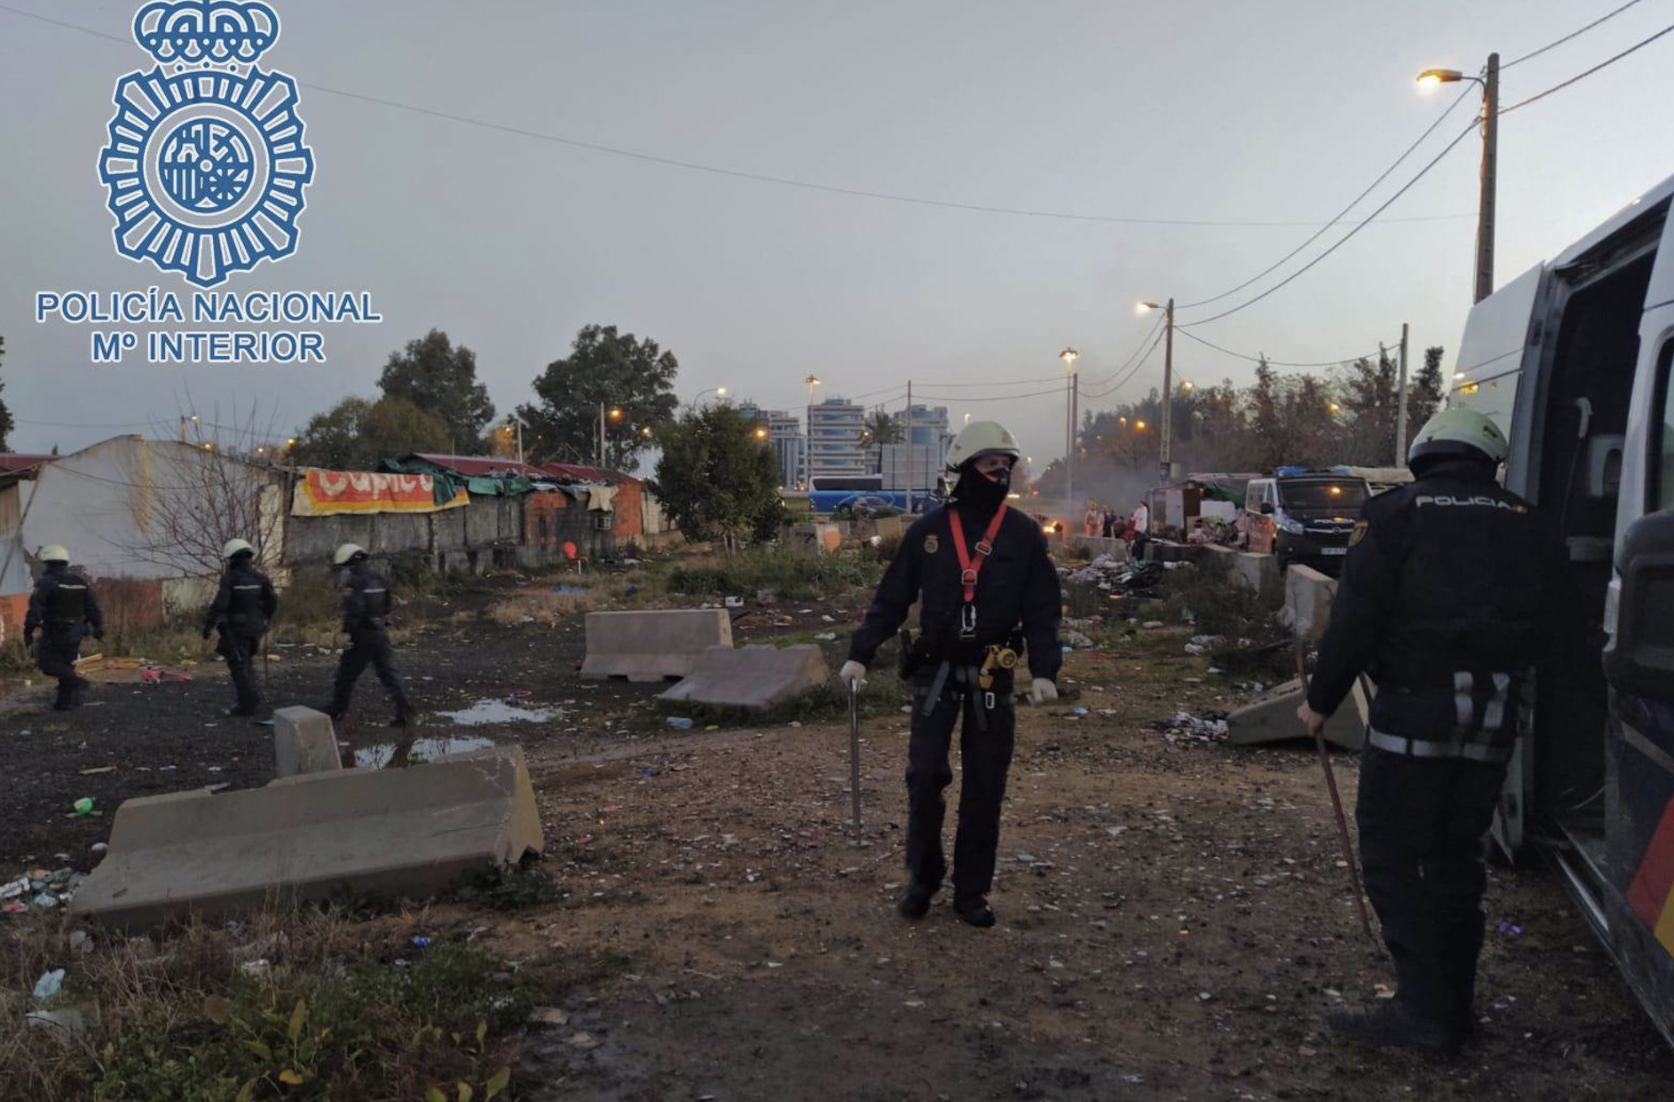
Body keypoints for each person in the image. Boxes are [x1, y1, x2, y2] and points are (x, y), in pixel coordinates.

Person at [1297, 408, 1569, 1054]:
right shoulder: (1531, 522)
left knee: (1394, 856)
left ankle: (1421, 1010)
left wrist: (1319, 700)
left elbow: (1356, 617)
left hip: (1413, 719)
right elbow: (1564, 632)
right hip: (1495, 721)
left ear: (1424, 452)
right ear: (1488, 459)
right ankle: (1455, 1008)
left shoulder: (1394, 515)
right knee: (1456, 861)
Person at [840, 421, 1062, 928]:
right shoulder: (930, 532)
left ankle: (971, 892)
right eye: (990, 467)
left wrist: (1046, 669)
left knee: (985, 786)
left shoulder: (1023, 534)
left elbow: (1044, 608)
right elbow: (893, 597)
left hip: (992, 676)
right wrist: (861, 653)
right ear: (964, 471)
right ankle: (923, 879)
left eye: (1006, 467)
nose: (1000, 475)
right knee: (924, 777)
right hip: (934, 673)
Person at [322, 544, 413, 726]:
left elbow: (354, 608)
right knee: (388, 674)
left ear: (348, 563)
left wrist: (348, 632)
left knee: (346, 675)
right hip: (380, 633)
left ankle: (338, 709)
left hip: (361, 635)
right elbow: (388, 604)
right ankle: (405, 711)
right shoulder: (378, 578)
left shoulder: (354, 582)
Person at [202, 539, 278, 717]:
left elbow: (220, 604)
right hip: (256, 629)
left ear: (232, 559)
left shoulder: (230, 579)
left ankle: (247, 703)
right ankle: (251, 698)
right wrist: (265, 618)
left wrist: (208, 626)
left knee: (238, 665)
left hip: (236, 630)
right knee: (247, 663)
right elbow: (272, 601)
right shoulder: (260, 578)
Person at [23, 545, 103, 711]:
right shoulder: (79, 583)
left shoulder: (47, 583)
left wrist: (28, 631)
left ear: (47, 562)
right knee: (66, 663)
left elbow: (36, 609)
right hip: (77, 631)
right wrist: (97, 627)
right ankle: (64, 703)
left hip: (55, 630)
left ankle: (76, 682)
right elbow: (92, 607)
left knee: (47, 663)